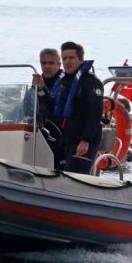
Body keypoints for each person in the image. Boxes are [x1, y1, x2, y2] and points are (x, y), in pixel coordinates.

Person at [43, 41, 104, 173]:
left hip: (84, 139)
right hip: (68, 138)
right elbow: (54, 107)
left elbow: (95, 113)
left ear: (80, 60)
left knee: (74, 176)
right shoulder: (65, 82)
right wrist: (41, 89)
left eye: (71, 58)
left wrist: (85, 140)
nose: (67, 62)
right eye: (64, 58)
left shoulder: (90, 82)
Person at [32, 47, 63, 168]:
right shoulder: (37, 81)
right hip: (40, 132)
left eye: (51, 63)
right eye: (44, 63)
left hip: (59, 134)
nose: (47, 66)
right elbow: (28, 104)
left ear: (59, 64)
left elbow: (56, 106)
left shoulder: (65, 83)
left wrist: (42, 90)